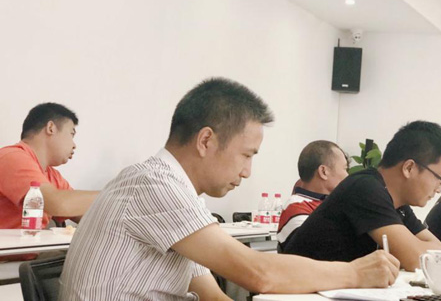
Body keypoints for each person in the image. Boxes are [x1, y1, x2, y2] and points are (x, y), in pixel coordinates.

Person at [59, 78, 398, 300]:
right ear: (206, 140)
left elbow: (211, 294)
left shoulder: (175, 193)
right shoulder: (155, 184)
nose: (248, 172)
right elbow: (258, 273)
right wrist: (354, 272)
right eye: (246, 155)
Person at [283, 121, 441, 271]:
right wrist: (417, 248)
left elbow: (439, 252)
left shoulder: (397, 205)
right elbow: (416, 260)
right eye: (439, 178)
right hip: (298, 291)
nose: (439, 189)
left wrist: (418, 249)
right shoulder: (365, 188)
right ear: (409, 168)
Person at [0, 103, 98, 230]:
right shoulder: (11, 157)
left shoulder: (52, 176)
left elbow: (81, 213)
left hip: (31, 242)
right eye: (71, 134)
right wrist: (112, 195)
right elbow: (58, 204)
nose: (74, 145)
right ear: (51, 128)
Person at [277, 140, 348, 251]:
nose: (347, 175)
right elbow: (323, 250)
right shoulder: (296, 206)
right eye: (345, 169)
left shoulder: (331, 204)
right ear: (323, 172)